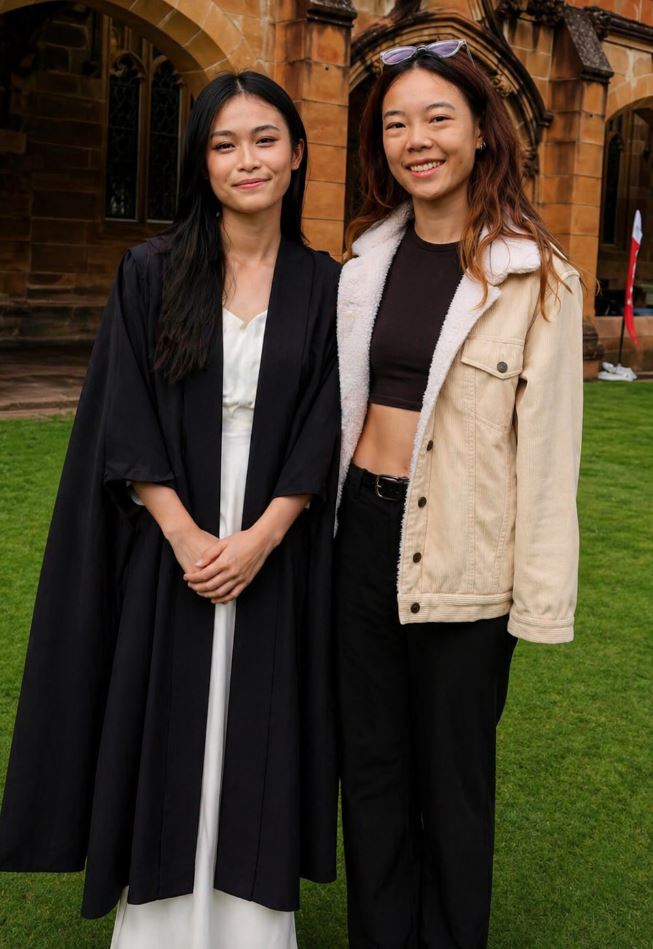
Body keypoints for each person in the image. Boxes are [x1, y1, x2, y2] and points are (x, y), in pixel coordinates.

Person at [0, 71, 340, 949]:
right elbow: (124, 409)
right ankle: (156, 930)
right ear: (201, 162)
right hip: (171, 534)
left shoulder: (323, 284)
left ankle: (252, 931)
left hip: (273, 538)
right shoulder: (152, 271)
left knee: (259, 721)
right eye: (224, 144)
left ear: (297, 153)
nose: (246, 160)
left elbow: (323, 421)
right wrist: (187, 535)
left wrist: (261, 537)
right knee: (167, 714)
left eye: (264, 139)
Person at [334, 40, 583, 949]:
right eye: (395, 124)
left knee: (452, 778)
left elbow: (548, 455)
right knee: (370, 769)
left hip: (464, 555)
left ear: (481, 131)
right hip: (358, 537)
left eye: (438, 118)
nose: (416, 140)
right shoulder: (362, 263)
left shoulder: (537, 277)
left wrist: (538, 600)